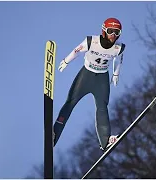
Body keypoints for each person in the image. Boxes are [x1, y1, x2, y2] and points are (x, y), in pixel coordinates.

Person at [53, 17, 125, 152]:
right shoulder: (92, 41)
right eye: (110, 31)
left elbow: (119, 60)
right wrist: (66, 61)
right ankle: (54, 133)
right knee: (70, 103)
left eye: (116, 32)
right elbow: (77, 51)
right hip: (86, 76)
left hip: (102, 78)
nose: (113, 35)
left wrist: (116, 74)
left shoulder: (119, 47)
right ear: (104, 31)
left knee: (102, 107)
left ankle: (105, 141)